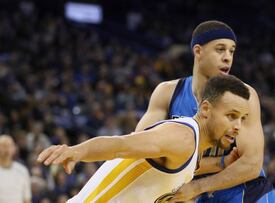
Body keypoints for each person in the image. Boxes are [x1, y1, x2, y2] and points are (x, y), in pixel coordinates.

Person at [37, 75, 251, 203]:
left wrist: (221, 163)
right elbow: (120, 145)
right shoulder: (182, 137)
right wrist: (78, 151)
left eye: (242, 118)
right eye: (231, 116)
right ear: (205, 109)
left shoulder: (193, 149)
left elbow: (166, 175)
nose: (238, 126)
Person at [135, 20, 275, 203]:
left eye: (231, 51)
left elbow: (251, 165)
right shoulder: (167, 93)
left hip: (244, 194)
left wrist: (198, 186)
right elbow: (142, 156)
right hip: (196, 196)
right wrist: (217, 164)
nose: (228, 57)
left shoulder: (244, 95)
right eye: (220, 49)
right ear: (198, 51)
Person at [0, 135, 32, 203]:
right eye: (3, 146)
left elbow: (27, 199)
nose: (7, 149)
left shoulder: (22, 170)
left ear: (14, 148)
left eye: (9, 146)